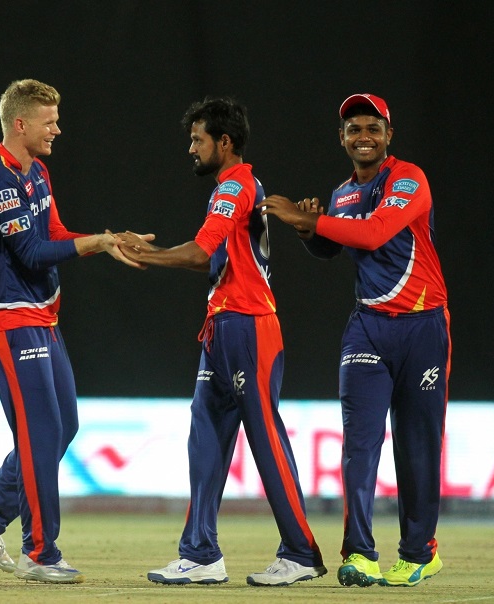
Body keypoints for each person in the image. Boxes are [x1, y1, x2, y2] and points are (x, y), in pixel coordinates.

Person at [118, 97, 326, 587]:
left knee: (264, 436)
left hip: (249, 325)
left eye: (198, 140)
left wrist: (145, 255)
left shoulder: (234, 185)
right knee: (205, 437)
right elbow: (214, 260)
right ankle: (201, 553)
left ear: (224, 142)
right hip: (223, 326)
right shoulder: (231, 188)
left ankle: (301, 552)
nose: (191, 148)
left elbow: (198, 254)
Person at [0, 78, 143, 584]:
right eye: (49, 121)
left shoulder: (36, 171)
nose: (58, 129)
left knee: (62, 427)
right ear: (20, 124)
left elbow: (52, 234)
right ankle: (40, 553)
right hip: (4, 319)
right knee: (39, 432)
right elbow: (32, 253)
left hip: (38, 315)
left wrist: (105, 239)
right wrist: (97, 243)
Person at [259, 93, 449, 588]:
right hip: (367, 327)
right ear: (341, 139)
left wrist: (303, 220)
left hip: (423, 326)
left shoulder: (409, 179)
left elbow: (374, 235)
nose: (363, 136)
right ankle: (360, 553)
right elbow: (334, 246)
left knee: (417, 447)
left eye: (372, 128)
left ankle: (419, 552)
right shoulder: (342, 193)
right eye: (353, 129)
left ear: (389, 135)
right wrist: (309, 233)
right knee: (359, 445)